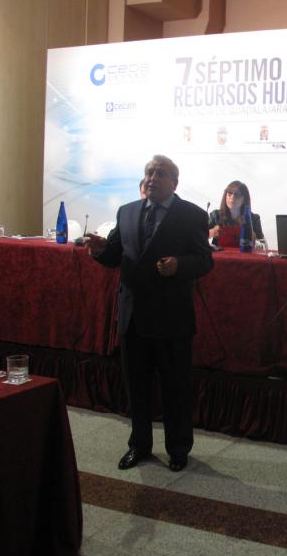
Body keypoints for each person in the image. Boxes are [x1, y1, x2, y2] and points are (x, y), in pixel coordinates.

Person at [84, 155, 214, 472]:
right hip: (133, 316)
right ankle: (139, 446)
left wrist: (178, 265)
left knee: (175, 388)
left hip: (172, 317)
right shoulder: (127, 211)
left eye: (161, 173)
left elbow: (204, 261)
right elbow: (116, 254)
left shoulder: (192, 215)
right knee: (136, 387)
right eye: (149, 172)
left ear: (174, 182)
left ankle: (178, 449)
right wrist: (100, 251)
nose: (153, 178)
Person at [208, 180, 264, 248]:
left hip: (246, 254)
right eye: (229, 193)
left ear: (244, 199)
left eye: (237, 194)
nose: (232, 197)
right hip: (219, 254)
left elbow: (262, 243)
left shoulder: (254, 218)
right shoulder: (215, 215)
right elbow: (201, 235)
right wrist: (212, 232)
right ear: (225, 196)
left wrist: (255, 238)